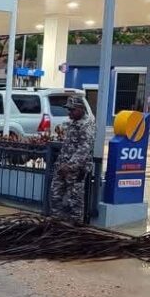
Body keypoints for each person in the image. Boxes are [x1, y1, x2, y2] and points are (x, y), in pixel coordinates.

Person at [50, 96, 95, 224]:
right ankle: (57, 223)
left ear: (81, 109)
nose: (69, 113)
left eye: (72, 110)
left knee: (75, 201)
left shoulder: (87, 125)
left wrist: (69, 166)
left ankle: (75, 229)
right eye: (68, 110)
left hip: (75, 171)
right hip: (62, 168)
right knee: (55, 195)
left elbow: (84, 149)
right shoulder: (73, 123)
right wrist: (61, 165)